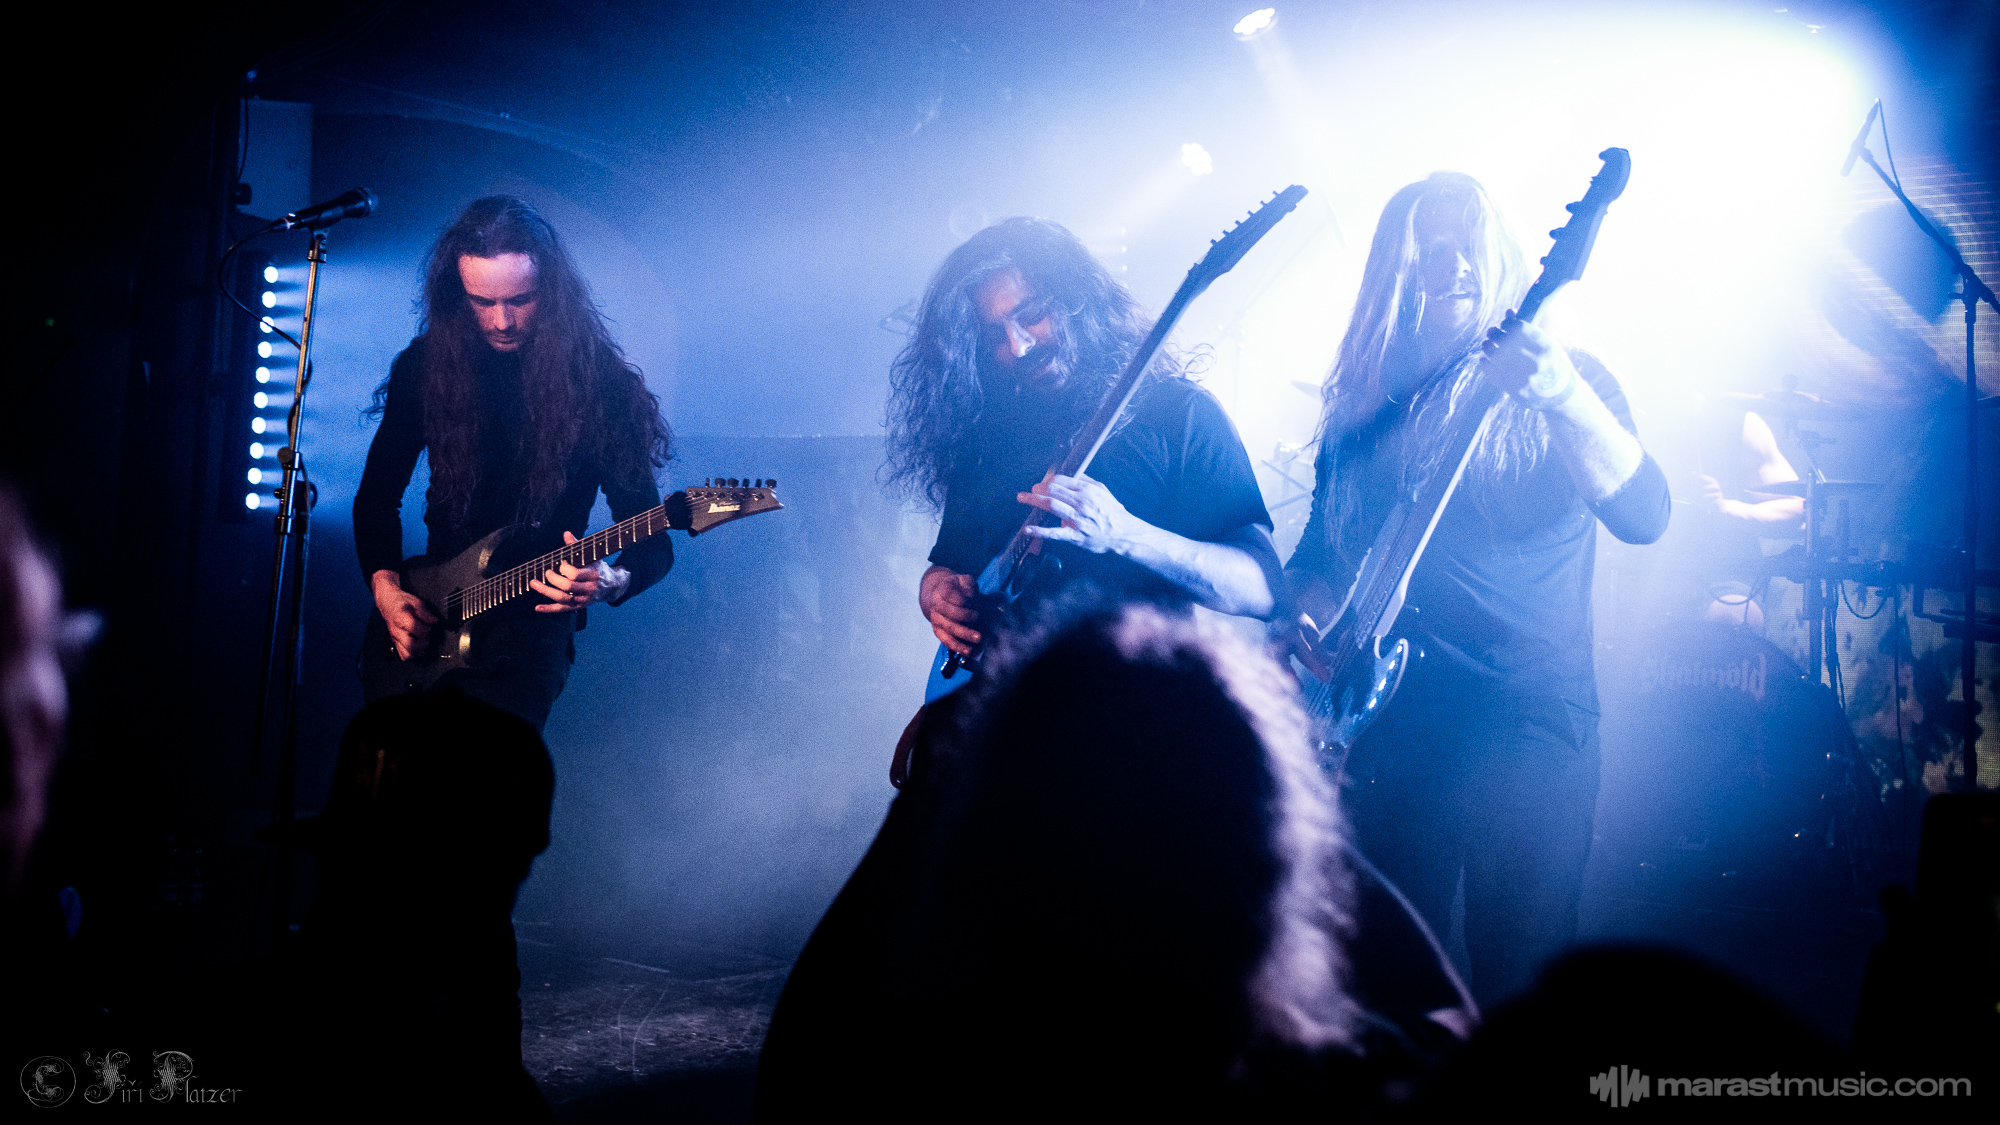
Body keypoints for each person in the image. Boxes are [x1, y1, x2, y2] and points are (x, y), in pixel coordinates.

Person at [1286, 172, 1670, 1007]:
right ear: (1395, 275)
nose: (1452, 265)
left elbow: (1645, 514)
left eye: (1467, 246)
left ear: (1500, 256)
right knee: (1389, 984)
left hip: (1531, 719)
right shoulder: (1368, 403)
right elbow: (1318, 558)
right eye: (1430, 250)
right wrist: (1309, 620)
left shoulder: (1568, 381)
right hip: (1396, 722)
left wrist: (1561, 395)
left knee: (1523, 982)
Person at [884, 217, 1283, 686]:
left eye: (1032, 314)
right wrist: (937, 596)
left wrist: (1127, 534)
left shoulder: (1180, 413)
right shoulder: (989, 430)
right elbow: (951, 566)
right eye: (994, 336)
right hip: (1001, 710)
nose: (1018, 346)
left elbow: (1264, 589)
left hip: (1136, 706)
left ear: (1077, 299)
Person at [353, 196, 674, 729]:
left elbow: (654, 541)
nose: (502, 321)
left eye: (521, 300)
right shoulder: (427, 367)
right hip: (430, 622)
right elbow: (375, 499)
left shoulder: (602, 387)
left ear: (552, 291)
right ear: (457, 293)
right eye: (482, 302)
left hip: (527, 645)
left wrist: (613, 579)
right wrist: (386, 591)